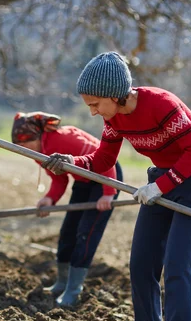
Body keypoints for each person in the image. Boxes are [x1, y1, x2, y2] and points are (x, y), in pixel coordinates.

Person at [42, 52, 191, 321]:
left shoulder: (161, 105)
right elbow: (102, 159)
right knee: (141, 263)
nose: (93, 112)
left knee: (178, 268)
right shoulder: (113, 120)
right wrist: (70, 162)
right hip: (161, 180)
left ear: (115, 94)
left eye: (95, 104)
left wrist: (162, 186)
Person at [11, 111, 123, 307]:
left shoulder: (63, 139)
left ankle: (73, 290)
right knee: (68, 232)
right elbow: (59, 178)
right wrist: (49, 199)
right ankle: (61, 283)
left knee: (85, 233)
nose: (22, 150)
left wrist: (108, 192)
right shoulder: (39, 152)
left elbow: (103, 156)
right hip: (82, 180)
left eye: (23, 145)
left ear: (34, 137)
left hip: (106, 176)